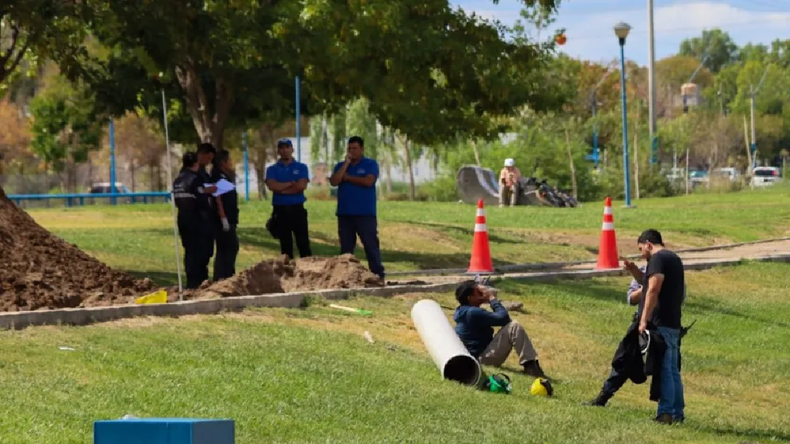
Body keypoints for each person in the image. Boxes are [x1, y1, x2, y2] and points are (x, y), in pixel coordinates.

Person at [626, 230, 685, 424]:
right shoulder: (674, 258)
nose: (642, 253)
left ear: (649, 244)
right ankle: (677, 413)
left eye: (641, 248)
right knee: (673, 370)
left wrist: (644, 320)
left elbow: (653, 288)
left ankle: (665, 412)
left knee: (665, 369)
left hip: (661, 323)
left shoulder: (658, 259)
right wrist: (635, 271)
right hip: (674, 321)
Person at [453, 280, 547, 378]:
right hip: (481, 359)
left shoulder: (462, 310)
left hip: (476, 355)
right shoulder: (472, 313)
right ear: (470, 298)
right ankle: (531, 367)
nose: (483, 293)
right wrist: (491, 298)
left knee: (513, 326)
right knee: (514, 327)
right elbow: (504, 319)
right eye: (479, 292)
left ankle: (531, 365)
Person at [329, 136, 384, 281]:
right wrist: (346, 165)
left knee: (370, 246)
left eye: (355, 148)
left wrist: (348, 178)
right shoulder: (341, 166)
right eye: (349, 148)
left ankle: (378, 274)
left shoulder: (370, 164)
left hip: (365, 214)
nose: (352, 151)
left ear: (362, 149)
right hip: (345, 213)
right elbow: (334, 181)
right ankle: (345, 277)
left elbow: (368, 181)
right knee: (346, 249)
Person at [172, 152, 216, 289]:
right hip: (197, 221)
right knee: (200, 252)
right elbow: (202, 201)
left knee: (189, 251)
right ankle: (200, 282)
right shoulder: (195, 179)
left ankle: (191, 281)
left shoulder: (178, 179)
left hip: (183, 219)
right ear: (196, 163)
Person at [265, 139, 312, 259]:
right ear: (278, 151)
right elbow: (272, 186)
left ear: (292, 149)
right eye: (282, 148)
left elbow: (301, 186)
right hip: (280, 210)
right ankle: (287, 271)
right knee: (285, 245)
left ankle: (308, 270)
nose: (285, 150)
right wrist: (291, 183)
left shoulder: (301, 167)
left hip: (297, 209)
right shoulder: (272, 169)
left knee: (303, 242)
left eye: (287, 147)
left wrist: (281, 189)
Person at [211, 150, 239, 281]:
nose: (231, 163)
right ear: (223, 162)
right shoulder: (219, 176)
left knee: (230, 248)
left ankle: (227, 275)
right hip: (223, 220)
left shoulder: (224, 176)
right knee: (228, 248)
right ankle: (224, 277)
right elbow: (218, 198)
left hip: (230, 218)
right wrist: (223, 218)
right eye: (229, 160)